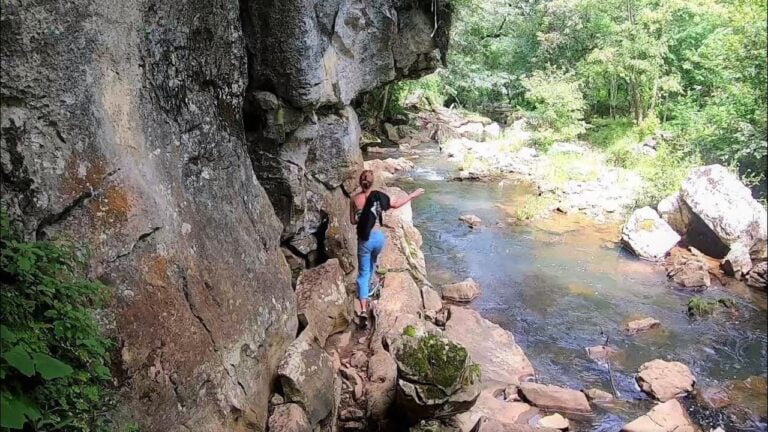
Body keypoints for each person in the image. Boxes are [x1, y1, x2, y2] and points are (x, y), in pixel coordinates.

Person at [350, 170, 424, 328]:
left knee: (363, 273)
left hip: (365, 239)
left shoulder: (354, 199)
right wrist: (412, 195)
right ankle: (370, 286)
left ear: (359, 182)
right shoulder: (378, 196)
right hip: (379, 239)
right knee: (372, 262)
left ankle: (363, 309)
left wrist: (362, 218)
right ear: (373, 181)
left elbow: (352, 221)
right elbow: (396, 204)